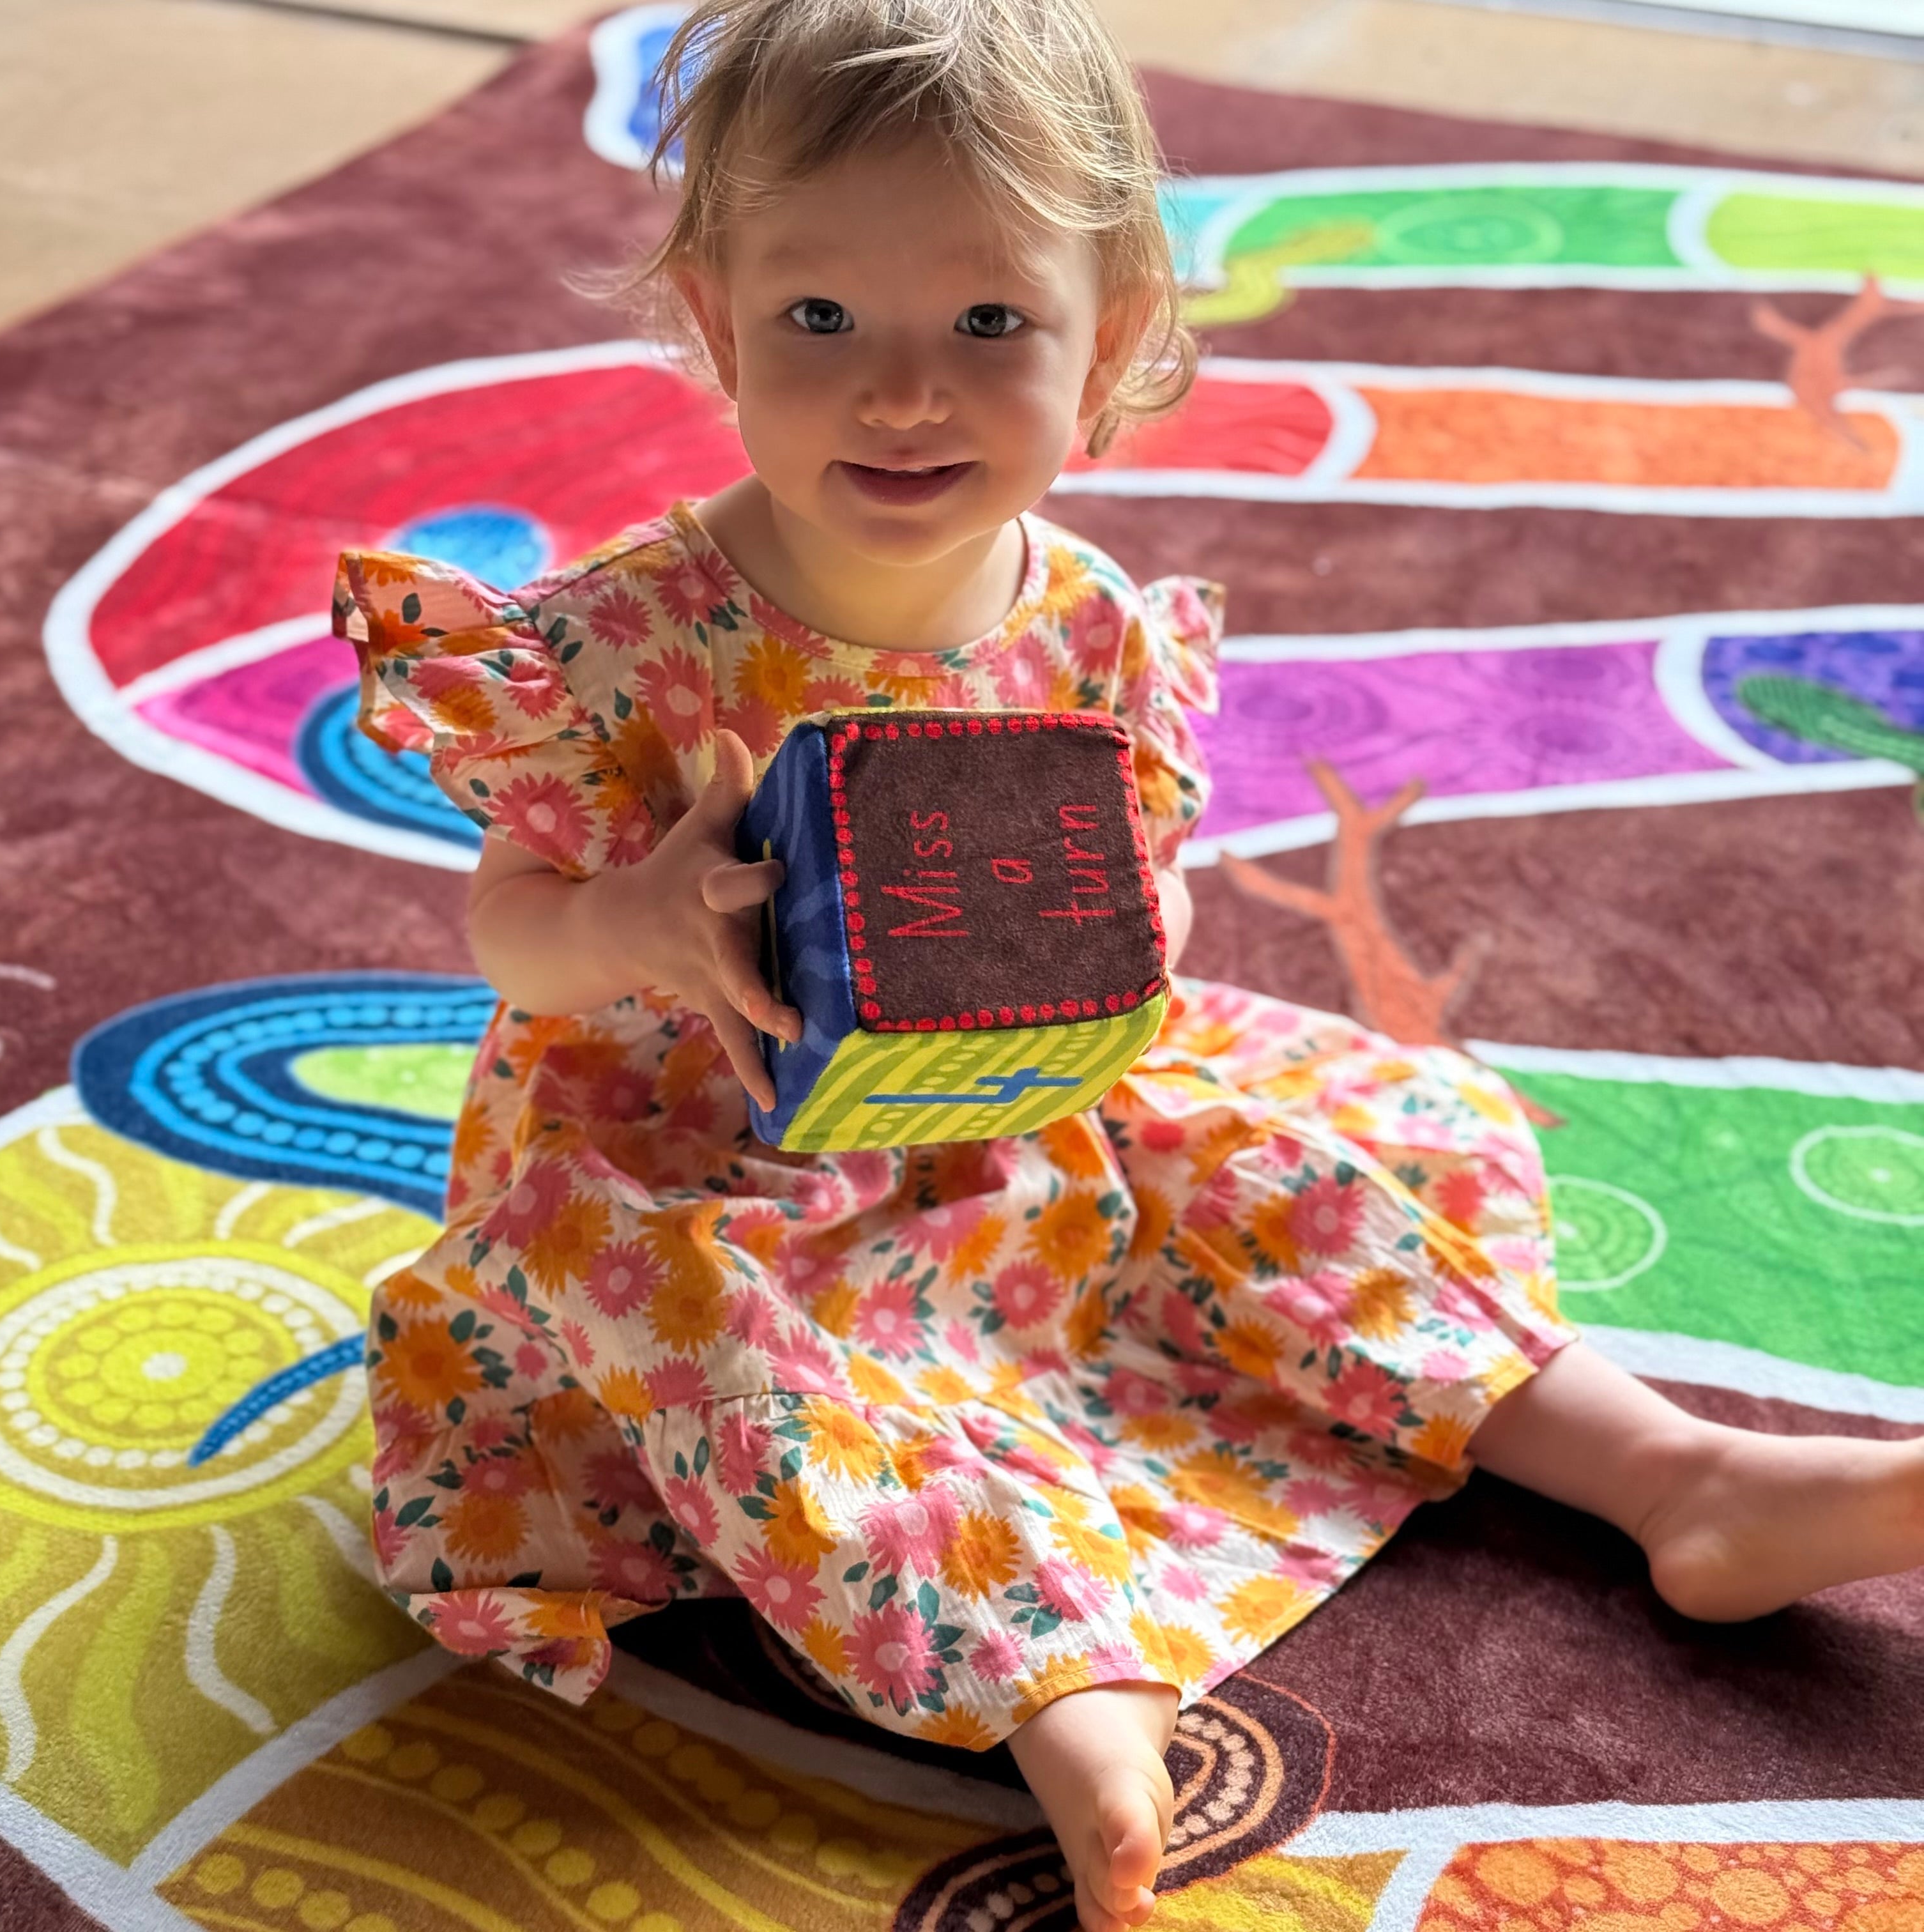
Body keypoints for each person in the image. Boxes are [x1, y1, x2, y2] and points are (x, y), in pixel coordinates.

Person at [333, 3, 1924, 1926]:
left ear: (1114, 341)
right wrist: (628, 922)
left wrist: (1137, 930)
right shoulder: (616, 642)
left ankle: (1676, 1474)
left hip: (1026, 1109)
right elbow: (507, 926)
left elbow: (1139, 876)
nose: (903, 394)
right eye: (821, 322)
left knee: (1298, 1184)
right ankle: (1056, 1674)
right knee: (772, 1360)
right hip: (704, 1161)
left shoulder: (1085, 619)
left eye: (988, 326)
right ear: (712, 320)